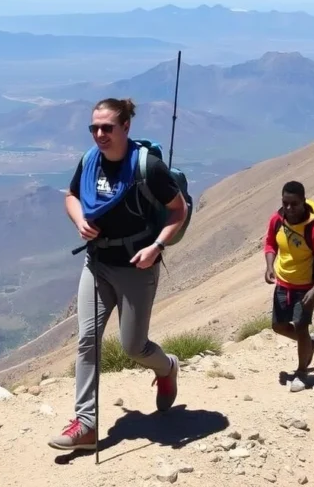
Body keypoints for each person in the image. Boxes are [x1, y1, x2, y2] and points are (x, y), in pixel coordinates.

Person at [48, 97, 189, 451]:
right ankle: (86, 423)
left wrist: (156, 246)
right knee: (87, 340)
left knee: (133, 346)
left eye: (107, 127)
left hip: (136, 267)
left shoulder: (149, 168)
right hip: (96, 264)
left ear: (126, 127)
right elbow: (71, 196)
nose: (99, 134)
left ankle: (167, 366)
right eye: (94, 127)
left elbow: (178, 211)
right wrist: (80, 219)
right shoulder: (89, 161)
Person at [263, 181, 314, 378]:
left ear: (303, 201)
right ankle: (310, 344)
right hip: (283, 284)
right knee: (278, 327)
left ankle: (302, 372)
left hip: (305, 286)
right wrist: (269, 266)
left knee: (301, 327)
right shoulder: (277, 220)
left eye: (294, 204)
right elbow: (270, 244)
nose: (288, 208)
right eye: (285, 203)